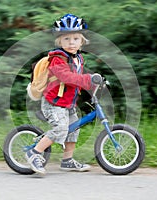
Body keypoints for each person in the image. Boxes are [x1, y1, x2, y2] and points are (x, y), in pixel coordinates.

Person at [26, 14, 102, 174]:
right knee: (61, 129)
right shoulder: (57, 59)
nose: (71, 42)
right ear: (59, 42)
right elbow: (66, 77)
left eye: (75, 38)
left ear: (82, 41)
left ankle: (67, 161)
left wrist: (94, 83)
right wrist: (88, 79)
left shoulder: (78, 58)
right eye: (66, 39)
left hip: (68, 103)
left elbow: (78, 79)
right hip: (53, 103)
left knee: (74, 129)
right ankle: (34, 153)